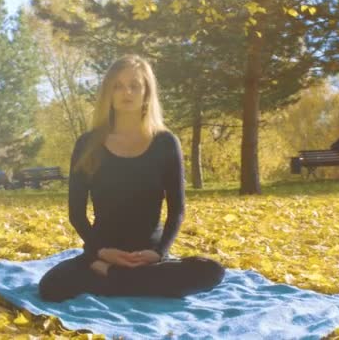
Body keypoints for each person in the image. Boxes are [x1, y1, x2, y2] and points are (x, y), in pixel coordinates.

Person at [38, 55, 225, 302]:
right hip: (101, 254)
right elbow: (77, 214)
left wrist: (158, 253)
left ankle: (112, 278)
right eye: (118, 85)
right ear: (108, 93)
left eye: (135, 85)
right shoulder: (88, 144)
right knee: (50, 287)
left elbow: (177, 209)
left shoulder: (166, 143)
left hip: (148, 258)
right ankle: (130, 281)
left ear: (147, 92)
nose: (126, 92)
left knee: (211, 271)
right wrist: (101, 253)